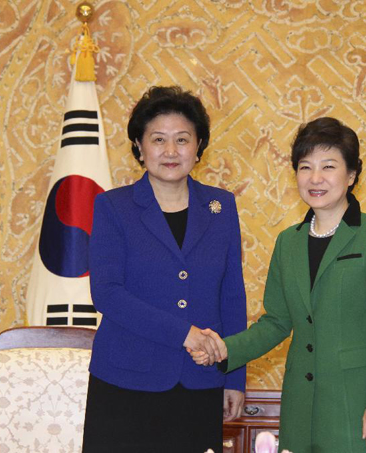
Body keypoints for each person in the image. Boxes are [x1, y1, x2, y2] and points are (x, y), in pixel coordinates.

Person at [191, 117, 366, 452]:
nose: (315, 178)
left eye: (328, 166)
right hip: (303, 404)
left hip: (360, 403)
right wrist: (226, 349)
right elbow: (277, 322)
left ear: (352, 175)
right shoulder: (288, 242)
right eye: (305, 167)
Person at [82, 86, 247, 453]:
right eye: (158, 139)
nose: (170, 151)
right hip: (126, 382)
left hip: (200, 381)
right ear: (139, 146)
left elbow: (231, 293)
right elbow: (107, 293)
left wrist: (234, 375)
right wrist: (184, 333)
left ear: (199, 145)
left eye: (182, 140)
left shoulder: (222, 207)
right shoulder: (113, 207)